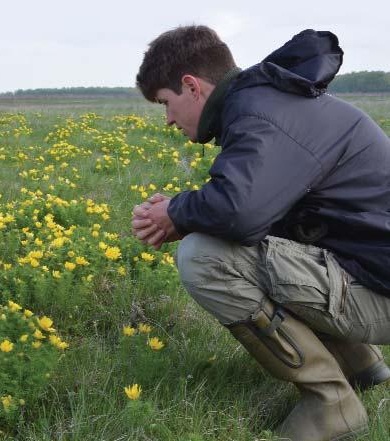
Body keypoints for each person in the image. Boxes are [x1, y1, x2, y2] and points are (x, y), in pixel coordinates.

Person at [131, 26, 390, 441]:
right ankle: (357, 361)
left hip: (380, 289)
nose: (168, 120)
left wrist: (178, 214)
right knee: (242, 243)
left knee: (204, 257)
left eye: (166, 104)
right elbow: (261, 208)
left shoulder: (258, 113)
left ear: (191, 86)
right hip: (375, 271)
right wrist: (182, 211)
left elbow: (240, 212)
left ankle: (331, 402)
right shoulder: (270, 101)